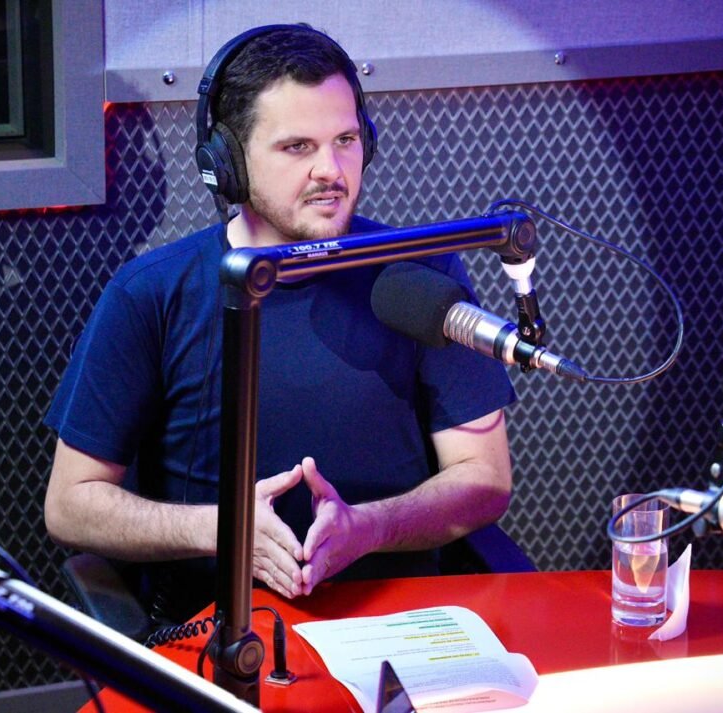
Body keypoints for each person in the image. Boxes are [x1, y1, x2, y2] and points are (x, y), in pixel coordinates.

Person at [43, 24, 516, 626]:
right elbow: (70, 506)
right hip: (226, 631)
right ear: (227, 163)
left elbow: (484, 478)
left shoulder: (420, 276)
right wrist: (222, 529)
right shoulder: (150, 295)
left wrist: (368, 528)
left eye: (346, 140)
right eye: (297, 147)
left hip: (399, 624)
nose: (330, 169)